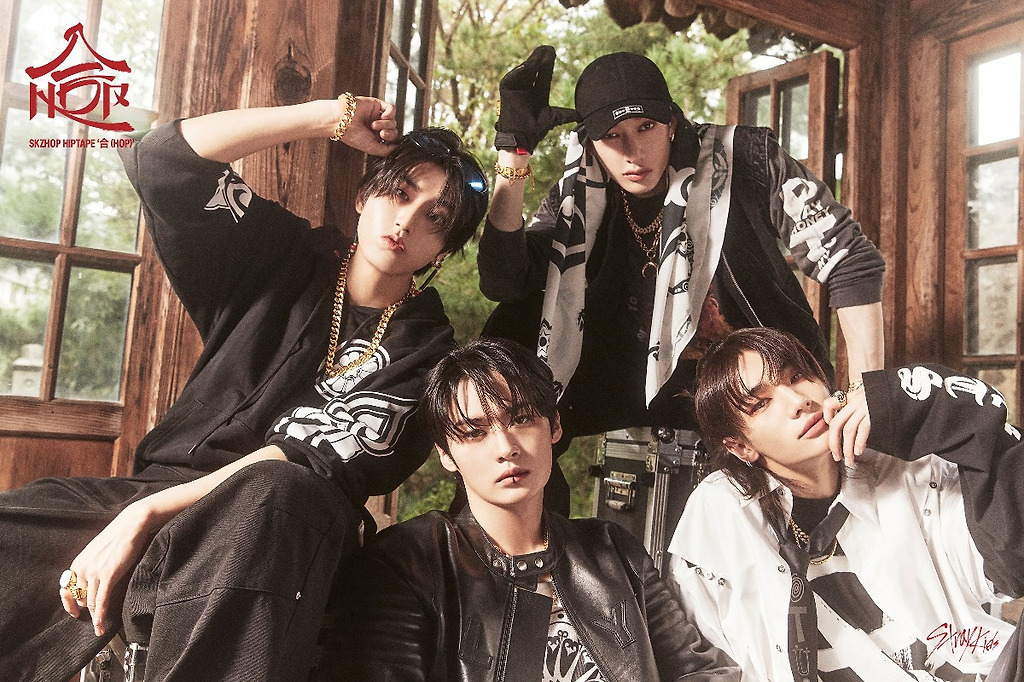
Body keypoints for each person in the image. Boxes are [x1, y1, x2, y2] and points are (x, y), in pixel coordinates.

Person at [0, 95, 488, 681]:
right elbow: (164, 159)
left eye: (436, 218)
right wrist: (326, 118)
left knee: (272, 491)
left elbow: (306, 462)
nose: (406, 221)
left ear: (444, 250)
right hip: (161, 490)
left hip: (286, 526)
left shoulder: (427, 351)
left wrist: (142, 516)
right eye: (400, 193)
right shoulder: (280, 254)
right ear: (365, 195)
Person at [477, 46, 886, 512]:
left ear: (672, 122)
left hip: (749, 383)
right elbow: (505, 283)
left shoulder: (745, 156)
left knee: (793, 509)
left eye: (646, 128)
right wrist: (513, 154)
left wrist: (868, 391)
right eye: (612, 136)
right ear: (590, 143)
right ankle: (529, 542)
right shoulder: (580, 190)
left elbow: (850, 259)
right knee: (512, 332)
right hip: (632, 378)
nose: (633, 153)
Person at [329, 337, 741, 681]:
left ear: (554, 426)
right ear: (446, 454)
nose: (505, 446)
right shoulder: (409, 562)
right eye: (473, 432)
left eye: (522, 419)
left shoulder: (613, 551)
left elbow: (701, 671)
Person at [667, 326, 1023, 681]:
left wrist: (929, 402)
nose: (799, 401)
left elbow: (1012, 559)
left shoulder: (905, 473)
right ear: (741, 446)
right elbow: (706, 664)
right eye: (762, 403)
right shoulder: (721, 513)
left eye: (797, 377)